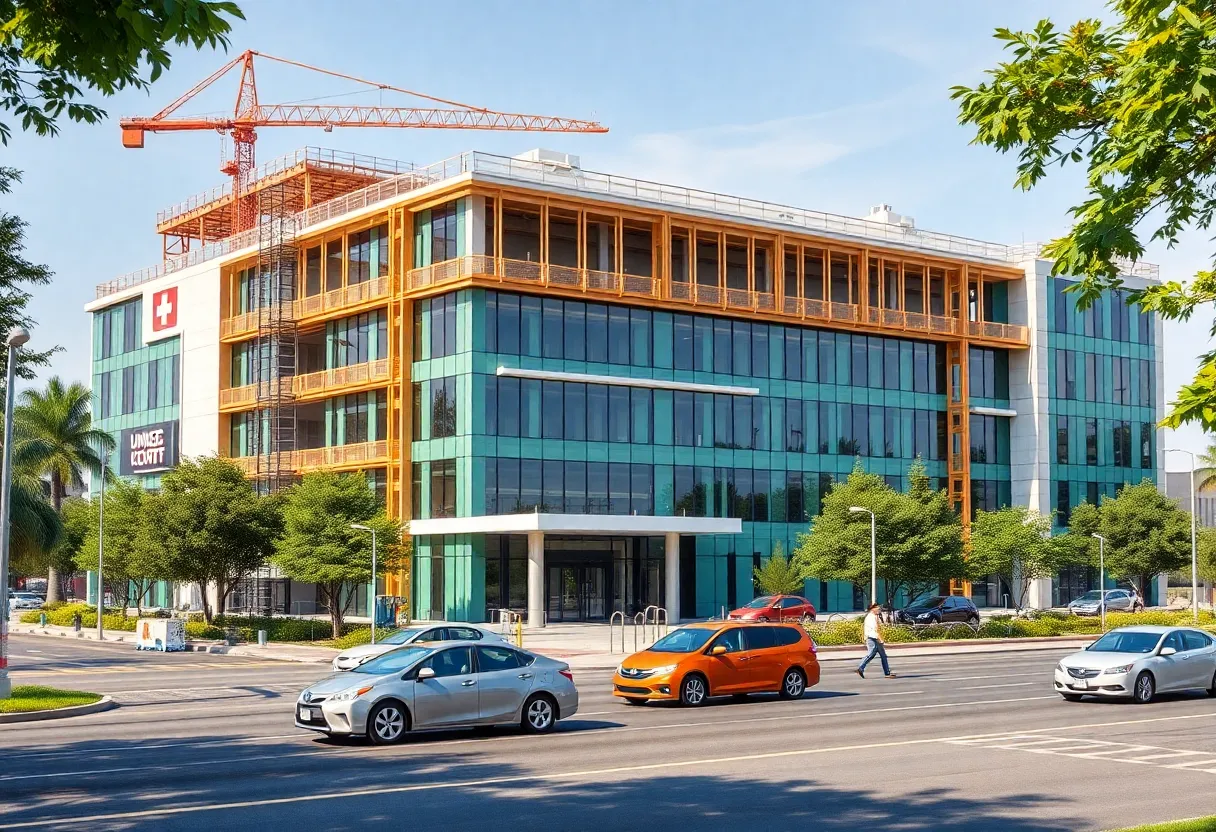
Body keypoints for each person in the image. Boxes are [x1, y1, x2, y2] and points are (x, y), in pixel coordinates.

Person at [857, 602, 895, 679]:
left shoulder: (874, 616)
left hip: (874, 638)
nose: (879, 609)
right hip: (872, 638)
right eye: (877, 608)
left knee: (883, 656)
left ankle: (887, 673)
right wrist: (881, 639)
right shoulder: (870, 617)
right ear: (872, 609)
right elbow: (876, 629)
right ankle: (860, 667)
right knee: (871, 654)